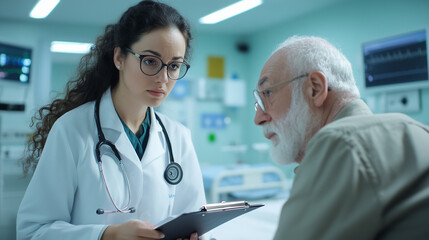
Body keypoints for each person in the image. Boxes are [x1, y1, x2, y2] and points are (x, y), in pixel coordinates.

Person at [17, 1, 206, 240]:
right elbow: (33, 231)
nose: (163, 78)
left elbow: (195, 219)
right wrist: (107, 235)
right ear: (119, 57)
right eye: (150, 61)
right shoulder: (71, 130)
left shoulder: (178, 136)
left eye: (174, 66)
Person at [253, 35, 429, 239]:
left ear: (315, 89)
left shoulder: (341, 143)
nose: (258, 118)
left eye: (267, 94)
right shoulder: (418, 132)